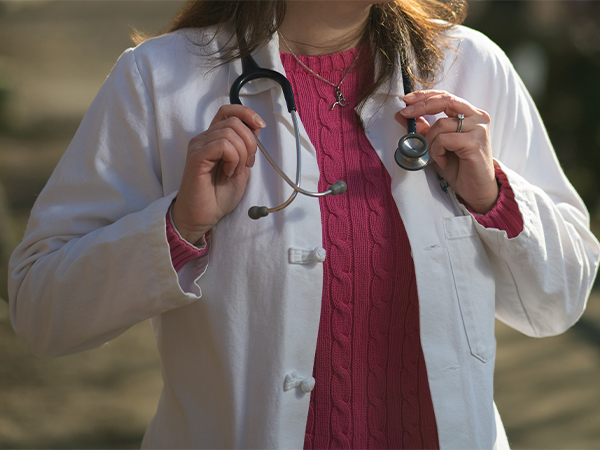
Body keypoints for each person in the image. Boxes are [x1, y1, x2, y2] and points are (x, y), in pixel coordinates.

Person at [8, 0, 599, 448]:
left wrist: (494, 195)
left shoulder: (470, 66)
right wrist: (177, 227)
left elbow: (561, 298)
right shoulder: (158, 81)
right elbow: (41, 309)